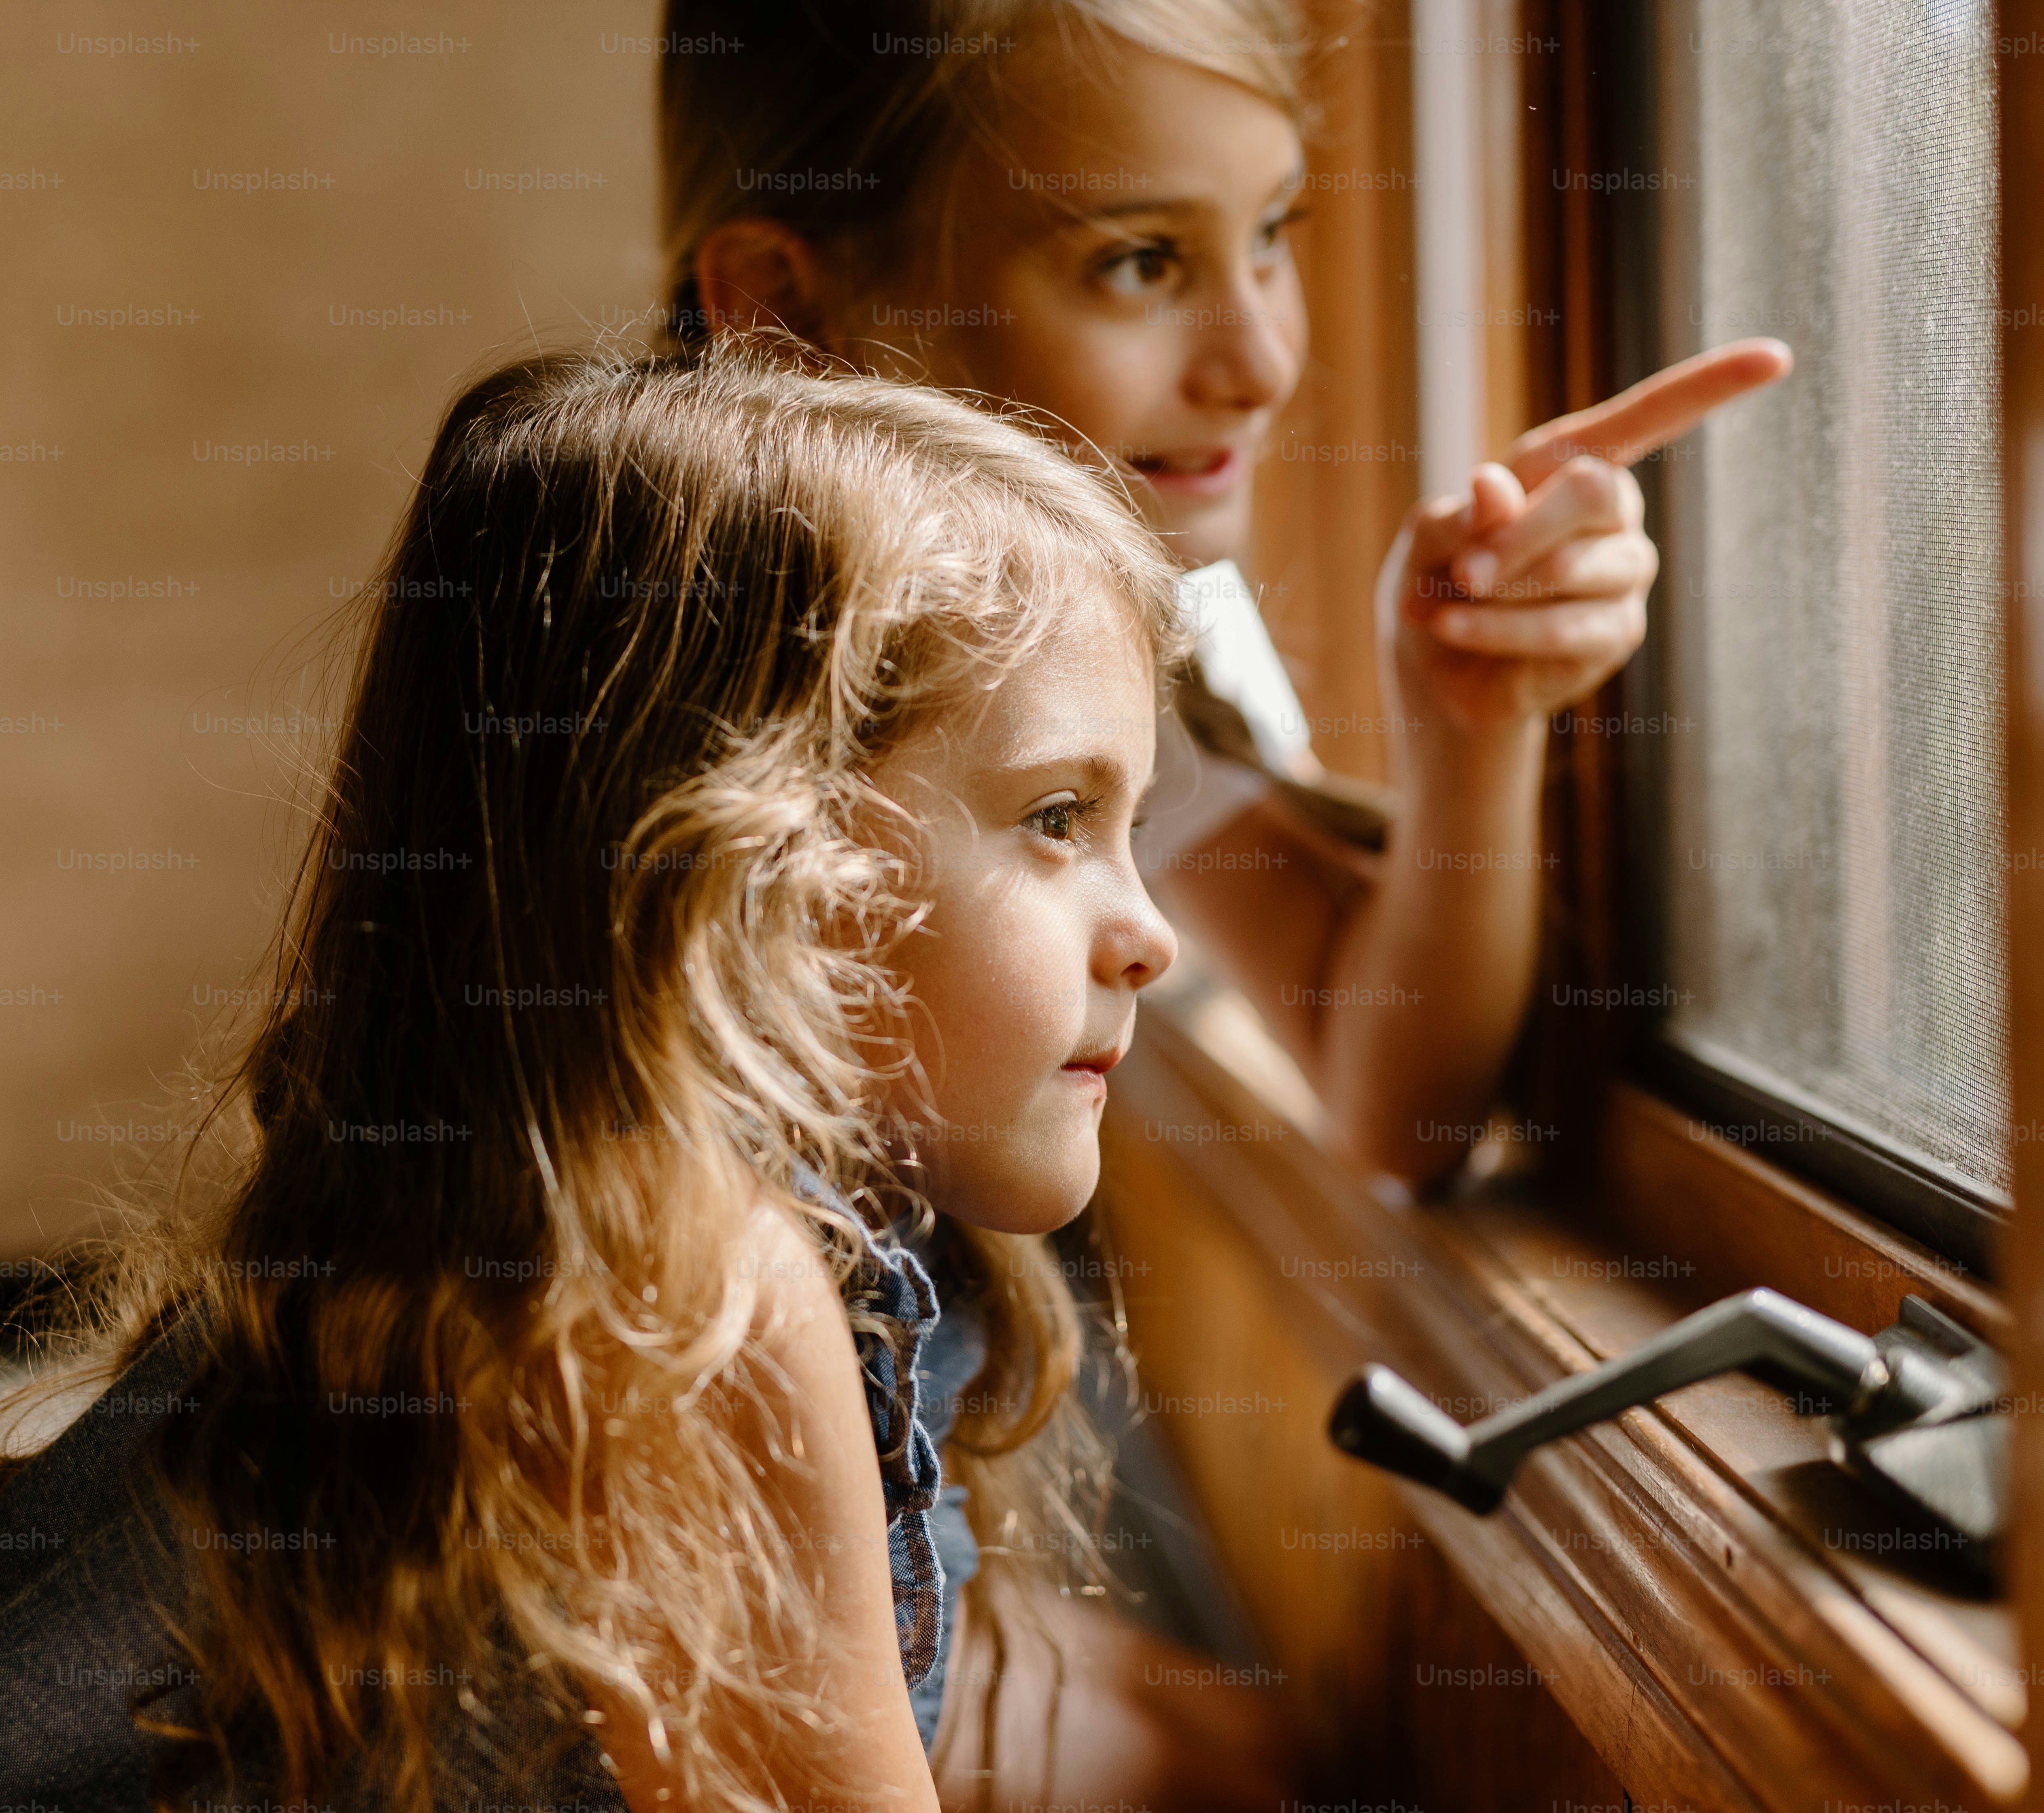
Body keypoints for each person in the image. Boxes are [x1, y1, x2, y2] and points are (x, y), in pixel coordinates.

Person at [0, 346, 1234, 1812]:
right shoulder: (691, 1288)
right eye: (1054, 817)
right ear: (752, 864)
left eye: (1129, 824)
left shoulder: (592, 1214)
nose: (1148, 933)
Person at [655, 2, 1791, 1803]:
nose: (1261, 356)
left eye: (1277, 235)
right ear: (786, 309)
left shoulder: (1068, 633)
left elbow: (1391, 1093)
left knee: (1248, 1754)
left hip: (862, 1485)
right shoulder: (657, 692)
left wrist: (1468, 728)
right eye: (1138, 262)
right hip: (606, 1526)